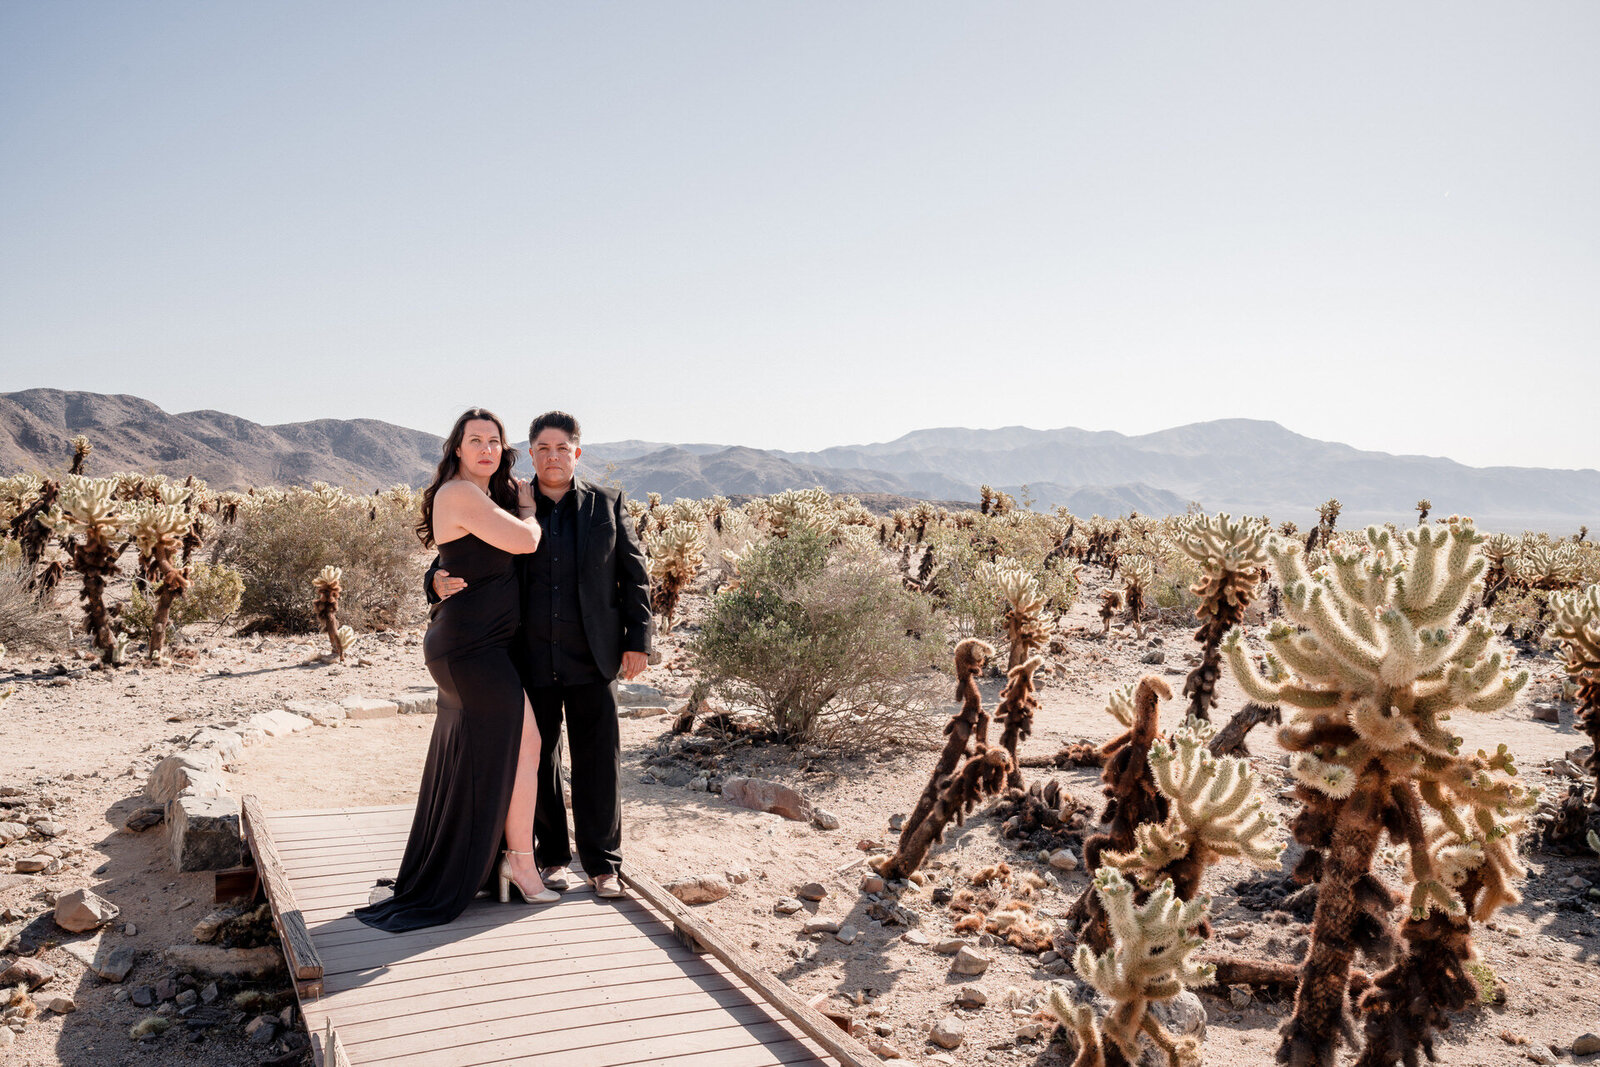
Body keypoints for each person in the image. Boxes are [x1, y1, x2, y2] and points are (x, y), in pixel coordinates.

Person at [430, 410, 651, 899]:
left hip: (594, 655)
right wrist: (433, 581)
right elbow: (457, 548)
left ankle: (603, 863)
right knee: (538, 757)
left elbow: (633, 574)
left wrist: (639, 640)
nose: (553, 457)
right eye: (543, 449)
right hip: (528, 655)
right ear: (530, 454)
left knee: (599, 759)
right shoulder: (512, 500)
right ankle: (553, 857)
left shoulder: (606, 504)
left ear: (578, 452)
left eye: (562, 448)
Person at [356, 408, 555, 933]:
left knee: (519, 746)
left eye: (494, 441)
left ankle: (508, 860)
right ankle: (520, 864)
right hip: (469, 647)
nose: (486, 449)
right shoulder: (460, 493)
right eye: (475, 441)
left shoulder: (484, 496)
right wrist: (532, 509)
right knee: (524, 743)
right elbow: (526, 542)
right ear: (458, 449)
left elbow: (461, 560)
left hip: (480, 644)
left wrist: (436, 579)